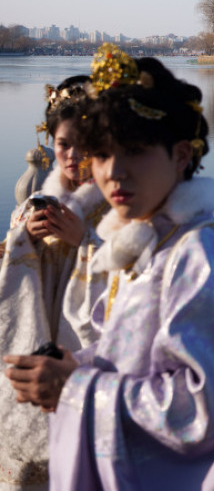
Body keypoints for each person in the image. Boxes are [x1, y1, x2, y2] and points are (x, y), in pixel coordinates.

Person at [4, 46, 214, 490]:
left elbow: (203, 411)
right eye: (101, 154)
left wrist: (76, 386)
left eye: (135, 151)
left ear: (181, 156)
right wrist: (71, 365)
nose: (114, 172)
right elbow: (131, 357)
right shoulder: (151, 242)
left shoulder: (206, 258)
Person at [0, 76, 108, 488]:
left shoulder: (119, 205)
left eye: (84, 143)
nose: (73, 155)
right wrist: (22, 237)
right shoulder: (35, 204)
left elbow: (138, 278)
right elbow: (10, 261)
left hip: (83, 347)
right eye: (64, 144)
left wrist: (86, 241)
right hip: (37, 328)